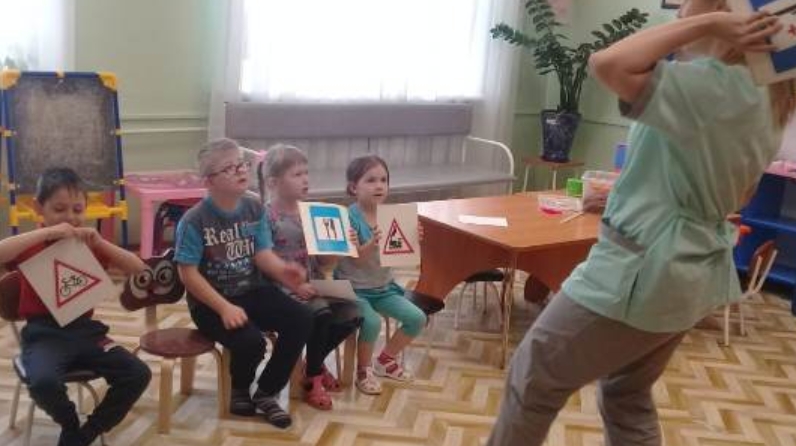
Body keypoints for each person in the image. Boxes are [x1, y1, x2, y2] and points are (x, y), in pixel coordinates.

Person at [487, 2, 791, 445]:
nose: (680, 7)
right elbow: (728, 190)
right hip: (688, 270)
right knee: (626, 395)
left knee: (532, 378)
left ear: (728, 12)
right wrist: (630, 197)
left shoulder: (716, 86)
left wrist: (706, 23)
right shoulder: (764, 96)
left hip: (642, 269)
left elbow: (607, 63)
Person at [0, 167, 151, 446]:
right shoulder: (30, 246)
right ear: (39, 209)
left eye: (77, 209)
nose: (70, 217)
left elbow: (139, 269)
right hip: (44, 335)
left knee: (138, 373)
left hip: (87, 333)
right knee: (43, 382)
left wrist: (100, 242)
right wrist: (45, 234)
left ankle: (88, 432)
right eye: (59, 209)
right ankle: (70, 425)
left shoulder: (87, 245)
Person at [175, 138, 314, 428]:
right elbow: (188, 274)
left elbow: (262, 254)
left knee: (302, 318)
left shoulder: (253, 207)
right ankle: (239, 388)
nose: (241, 171)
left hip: (251, 290)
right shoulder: (194, 220)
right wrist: (224, 307)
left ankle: (266, 392)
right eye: (229, 168)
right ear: (209, 181)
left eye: (242, 164)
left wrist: (283, 271)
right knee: (251, 342)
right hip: (210, 302)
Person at [258, 144, 362, 410]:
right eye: (297, 174)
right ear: (273, 183)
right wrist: (295, 284)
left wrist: (341, 244)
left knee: (353, 313)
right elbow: (263, 263)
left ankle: (312, 364)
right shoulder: (266, 217)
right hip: (281, 290)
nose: (305, 179)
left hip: (314, 284)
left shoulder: (313, 213)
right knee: (321, 313)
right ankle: (314, 379)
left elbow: (325, 262)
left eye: (306, 173)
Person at [336, 155, 427, 395]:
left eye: (383, 180)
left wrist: (413, 239)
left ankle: (385, 360)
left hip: (383, 288)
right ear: (353, 187)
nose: (379, 186)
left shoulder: (392, 216)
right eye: (371, 180)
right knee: (372, 322)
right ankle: (363, 371)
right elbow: (357, 259)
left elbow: (401, 257)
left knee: (417, 318)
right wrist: (373, 243)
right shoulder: (348, 217)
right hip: (353, 290)